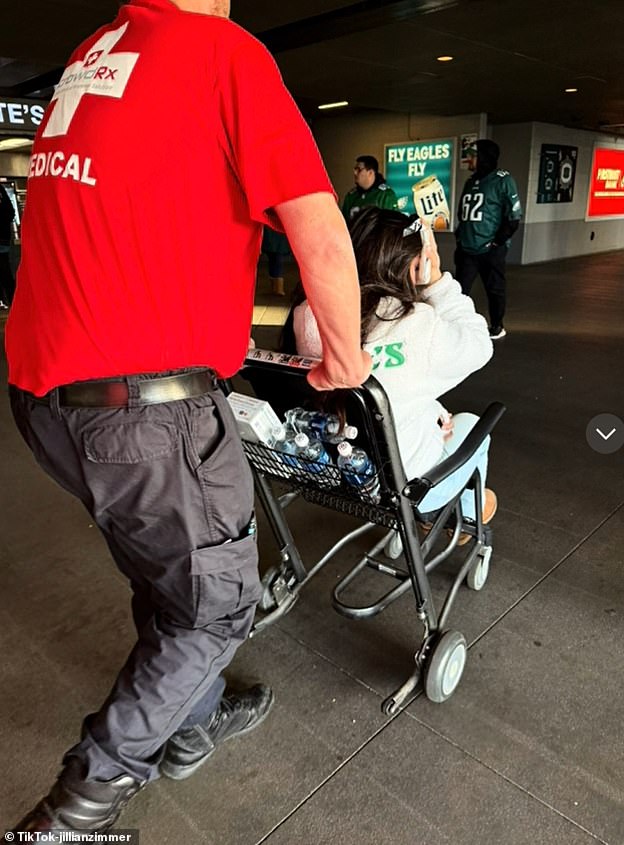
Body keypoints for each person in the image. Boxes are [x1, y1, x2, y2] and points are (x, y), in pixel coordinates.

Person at [6, 0, 371, 837]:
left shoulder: (96, 51)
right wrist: (344, 357)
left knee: (164, 563)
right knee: (215, 608)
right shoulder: (221, 49)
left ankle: (193, 721)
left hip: (46, 398)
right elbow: (315, 222)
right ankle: (78, 811)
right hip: (142, 409)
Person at [292, 207, 496, 532]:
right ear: (415, 263)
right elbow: (479, 346)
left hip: (345, 469)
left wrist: (431, 412)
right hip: (408, 485)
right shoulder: (411, 322)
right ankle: (469, 514)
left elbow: (382, 385)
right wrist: (438, 284)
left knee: (439, 415)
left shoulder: (308, 314)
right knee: (472, 425)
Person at [454, 139, 522, 340]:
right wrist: (460, 238)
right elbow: (462, 214)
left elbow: (514, 216)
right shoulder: (470, 182)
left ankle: (497, 325)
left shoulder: (503, 180)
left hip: (490, 248)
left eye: (473, 156)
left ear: (484, 157)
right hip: (467, 249)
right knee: (459, 291)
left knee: (494, 289)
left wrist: (497, 242)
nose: (469, 161)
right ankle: (458, 324)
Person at [341, 155, 399, 223]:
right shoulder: (351, 196)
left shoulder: (386, 195)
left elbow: (392, 227)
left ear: (370, 172)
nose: (355, 173)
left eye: (358, 170)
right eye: (355, 169)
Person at [261, 224, 291, 296]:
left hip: (274, 230)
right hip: (277, 230)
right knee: (274, 258)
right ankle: (276, 288)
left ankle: (278, 288)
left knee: (275, 259)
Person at [0, 182, 16, 309]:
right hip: (3, 238)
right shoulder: (2, 191)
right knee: (5, 271)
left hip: (2, 239)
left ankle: (10, 300)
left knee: (4, 271)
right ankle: (13, 301)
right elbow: (11, 212)